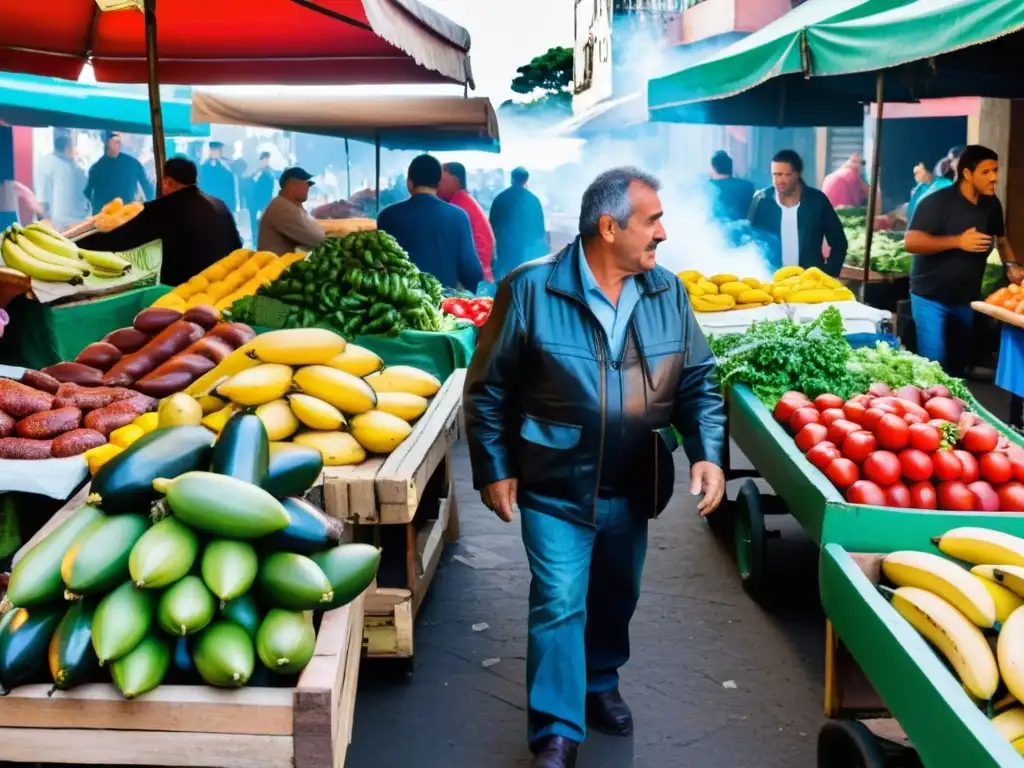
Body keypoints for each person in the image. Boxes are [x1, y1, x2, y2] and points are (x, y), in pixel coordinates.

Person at [464, 166, 726, 768]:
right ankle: (556, 729)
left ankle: (600, 680)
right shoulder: (529, 288)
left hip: (635, 480)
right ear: (609, 227)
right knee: (558, 598)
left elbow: (699, 381)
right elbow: (488, 389)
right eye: (652, 220)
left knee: (616, 592)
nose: (663, 233)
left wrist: (708, 453)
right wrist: (494, 466)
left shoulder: (668, 293)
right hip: (555, 481)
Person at [905, 144, 1021, 376]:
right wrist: (958, 241)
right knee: (934, 363)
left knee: (959, 362)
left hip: (967, 298)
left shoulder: (991, 204)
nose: (994, 178)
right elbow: (911, 242)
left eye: (995, 170)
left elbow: (1002, 239)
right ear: (967, 174)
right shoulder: (937, 202)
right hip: (930, 297)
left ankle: (957, 406)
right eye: (986, 172)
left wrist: (1012, 265)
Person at [77, 157, 241, 287]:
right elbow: (237, 245)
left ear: (167, 182)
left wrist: (74, 243)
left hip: (187, 291)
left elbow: (119, 239)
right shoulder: (219, 204)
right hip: (225, 286)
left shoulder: (164, 209)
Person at [376, 155, 483, 292]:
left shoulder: (387, 216)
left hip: (399, 305)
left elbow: (379, 265)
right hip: (442, 304)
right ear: (438, 183)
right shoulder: (458, 216)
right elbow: (471, 270)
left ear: (409, 182)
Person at [748, 149, 848, 277]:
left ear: (797, 174)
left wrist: (828, 275)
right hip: (770, 281)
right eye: (776, 174)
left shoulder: (817, 200)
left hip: (808, 283)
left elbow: (839, 242)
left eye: (786, 175)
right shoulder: (761, 200)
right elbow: (749, 238)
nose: (780, 180)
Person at [488, 167, 548, 281]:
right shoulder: (533, 199)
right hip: (527, 249)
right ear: (526, 180)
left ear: (511, 179)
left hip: (505, 247)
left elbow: (492, 223)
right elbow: (540, 230)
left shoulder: (500, 198)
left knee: (506, 278)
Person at [440, 161, 496, 282]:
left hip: (473, 275)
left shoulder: (458, 205)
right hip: (480, 272)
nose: (436, 185)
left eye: (441, 179)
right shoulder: (463, 199)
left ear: (455, 179)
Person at [257, 167, 327, 256]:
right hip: (277, 266)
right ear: (293, 187)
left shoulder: (288, 205)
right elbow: (318, 239)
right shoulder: (281, 207)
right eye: (307, 184)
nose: (308, 188)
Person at [83, 131, 153, 215]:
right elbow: (87, 193)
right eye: (115, 142)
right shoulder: (96, 168)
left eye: (118, 143)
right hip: (107, 216)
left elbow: (147, 187)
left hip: (123, 215)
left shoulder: (133, 163)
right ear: (107, 144)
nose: (117, 145)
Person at [37, 133, 88, 232]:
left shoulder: (73, 165)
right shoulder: (49, 163)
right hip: (59, 225)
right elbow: (42, 201)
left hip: (73, 224)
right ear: (68, 148)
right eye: (72, 146)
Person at [708, 150, 755, 222]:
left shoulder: (709, 187)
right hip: (746, 229)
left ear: (713, 169)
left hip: (718, 229)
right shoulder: (748, 186)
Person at [198, 141, 238, 213]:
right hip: (207, 200)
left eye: (216, 150)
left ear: (220, 152)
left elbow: (230, 185)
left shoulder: (226, 167)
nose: (214, 152)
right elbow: (201, 183)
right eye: (212, 150)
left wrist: (232, 206)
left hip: (221, 200)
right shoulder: (204, 166)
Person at [246, 152, 277, 241]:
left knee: (264, 221)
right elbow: (250, 184)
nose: (264, 162)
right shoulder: (256, 172)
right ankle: (254, 238)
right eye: (263, 160)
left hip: (265, 201)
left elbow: (272, 182)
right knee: (253, 221)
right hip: (254, 201)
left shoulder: (270, 172)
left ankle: (263, 238)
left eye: (266, 160)